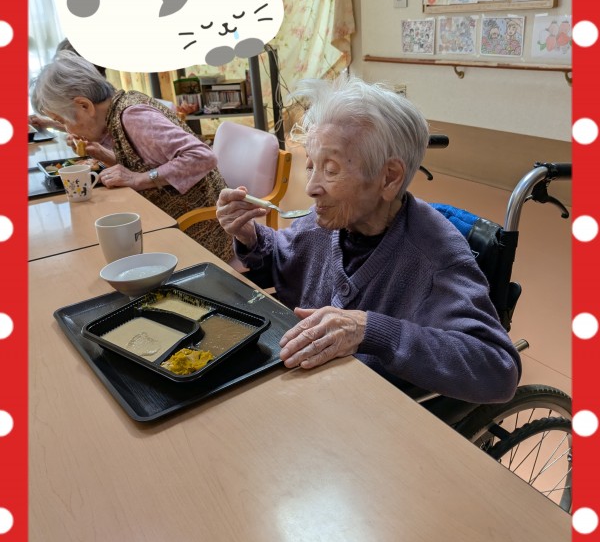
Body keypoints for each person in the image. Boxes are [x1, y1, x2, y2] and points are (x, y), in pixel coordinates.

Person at [215, 75, 521, 403]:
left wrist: (369, 330)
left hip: (372, 410)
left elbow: (497, 369)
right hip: (311, 391)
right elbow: (283, 257)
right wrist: (249, 235)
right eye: (311, 166)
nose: (311, 188)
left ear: (389, 178)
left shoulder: (435, 258)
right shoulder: (326, 221)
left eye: (330, 169)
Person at [29, 52, 233, 261]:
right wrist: (103, 155)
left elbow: (202, 157)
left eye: (63, 121)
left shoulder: (133, 116)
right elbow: (146, 162)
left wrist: (139, 179)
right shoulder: (118, 110)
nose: (67, 129)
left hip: (202, 233)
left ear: (85, 106)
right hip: (171, 219)